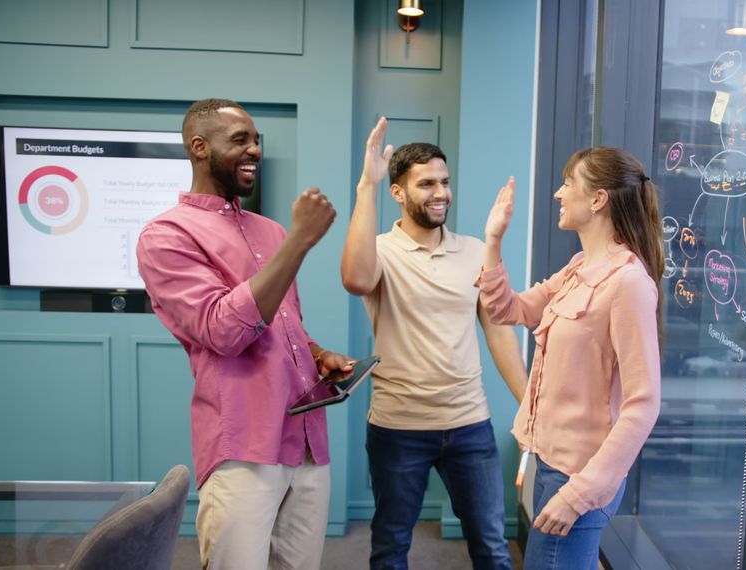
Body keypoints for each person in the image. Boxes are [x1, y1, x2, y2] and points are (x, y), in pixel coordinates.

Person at [136, 98, 355, 570]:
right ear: (199, 147)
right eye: (240, 140)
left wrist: (316, 355)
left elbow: (285, 326)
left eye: (256, 141)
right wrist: (300, 241)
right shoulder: (165, 235)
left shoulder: (272, 231)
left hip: (308, 442)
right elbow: (221, 331)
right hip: (242, 444)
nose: (254, 149)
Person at [341, 117, 528, 569]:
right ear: (398, 193)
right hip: (398, 426)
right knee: (391, 548)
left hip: (469, 423)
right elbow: (355, 278)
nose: (440, 192)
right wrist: (366, 185)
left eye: (444, 181)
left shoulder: (472, 251)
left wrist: (529, 408)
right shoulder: (379, 249)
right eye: (426, 183)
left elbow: (499, 331)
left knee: (492, 546)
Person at [477, 148, 663, 569]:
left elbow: (643, 404)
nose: (558, 194)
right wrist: (493, 239)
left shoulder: (628, 283)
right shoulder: (580, 266)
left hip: (579, 475)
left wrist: (581, 493)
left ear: (598, 199)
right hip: (549, 460)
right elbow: (509, 310)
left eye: (568, 184)